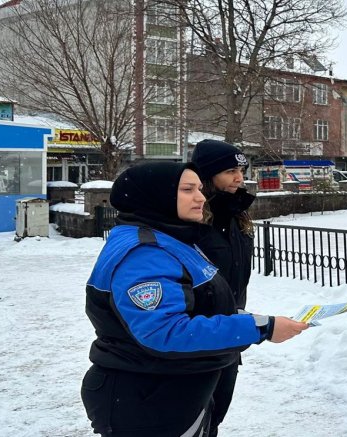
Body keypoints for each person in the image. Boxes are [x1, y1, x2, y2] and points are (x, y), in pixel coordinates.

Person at [81, 162, 309, 436]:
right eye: (188, 190)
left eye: (199, 189)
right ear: (157, 195)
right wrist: (261, 328)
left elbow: (198, 306)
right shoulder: (145, 252)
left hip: (172, 391)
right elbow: (164, 332)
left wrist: (255, 321)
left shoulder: (172, 240)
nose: (201, 197)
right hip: (147, 399)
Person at [191, 139, 255, 437]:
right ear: (207, 175)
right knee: (190, 421)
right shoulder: (192, 220)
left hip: (228, 336)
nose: (239, 178)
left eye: (240, 170)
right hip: (195, 339)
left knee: (214, 418)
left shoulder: (236, 215)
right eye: (230, 171)